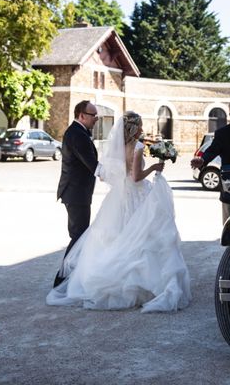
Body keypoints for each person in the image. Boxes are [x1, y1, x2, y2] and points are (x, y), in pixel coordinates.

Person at [46, 111, 192, 312]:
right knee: (142, 237)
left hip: (120, 196)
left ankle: (111, 281)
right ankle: (143, 285)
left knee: (119, 237)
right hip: (136, 194)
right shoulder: (138, 146)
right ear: (135, 127)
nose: (142, 128)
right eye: (140, 125)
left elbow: (118, 174)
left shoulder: (120, 147)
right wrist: (155, 168)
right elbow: (135, 177)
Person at [53, 100, 100, 287]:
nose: (96, 119)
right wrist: (114, 175)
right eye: (93, 115)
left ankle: (70, 277)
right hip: (76, 193)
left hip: (77, 193)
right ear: (82, 115)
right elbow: (92, 164)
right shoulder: (77, 134)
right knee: (79, 236)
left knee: (79, 235)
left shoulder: (79, 132)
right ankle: (62, 279)